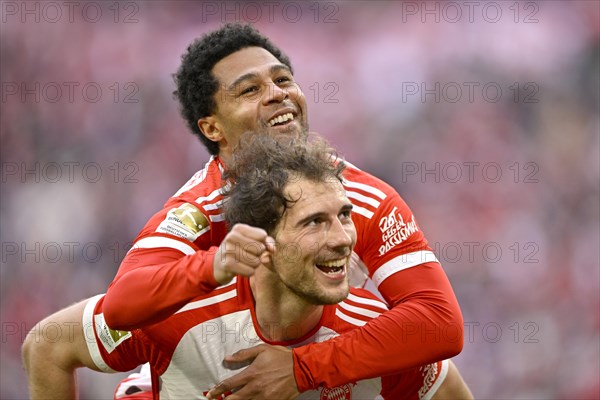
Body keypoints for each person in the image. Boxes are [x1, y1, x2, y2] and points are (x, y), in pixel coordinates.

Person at [24, 23, 465, 397]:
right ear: (212, 127)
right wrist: (211, 266)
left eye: (283, 79)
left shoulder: (363, 198)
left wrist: (303, 368)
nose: (277, 94)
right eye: (250, 89)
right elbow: (114, 309)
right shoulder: (199, 209)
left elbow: (439, 323)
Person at [23, 133, 473, 399]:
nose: (342, 238)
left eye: (344, 215)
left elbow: (446, 365)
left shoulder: (381, 335)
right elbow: (46, 347)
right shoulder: (174, 316)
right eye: (314, 222)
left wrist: (303, 369)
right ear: (262, 240)